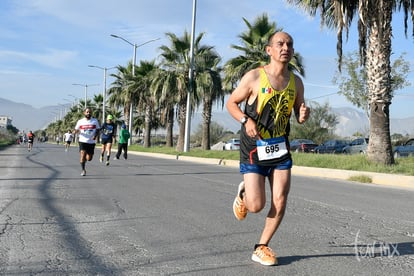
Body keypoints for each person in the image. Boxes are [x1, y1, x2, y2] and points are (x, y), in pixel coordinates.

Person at [226, 31, 310, 266]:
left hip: (280, 148)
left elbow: (299, 114)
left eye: (289, 44)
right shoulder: (254, 77)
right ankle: (244, 194)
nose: (286, 47)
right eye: (280, 44)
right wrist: (246, 120)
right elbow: (231, 103)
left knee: (280, 200)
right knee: (255, 206)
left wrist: (303, 115)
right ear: (269, 50)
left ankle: (261, 246)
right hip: (253, 147)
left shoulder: (296, 82)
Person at [74, 107, 100, 176]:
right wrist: (75, 132)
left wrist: (95, 135)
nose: (88, 113)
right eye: (87, 112)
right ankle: (83, 170)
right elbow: (76, 129)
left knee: (89, 158)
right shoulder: (80, 121)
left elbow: (98, 129)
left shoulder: (95, 121)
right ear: (84, 113)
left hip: (91, 142)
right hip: (82, 141)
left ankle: (85, 159)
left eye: (89, 112)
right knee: (82, 154)